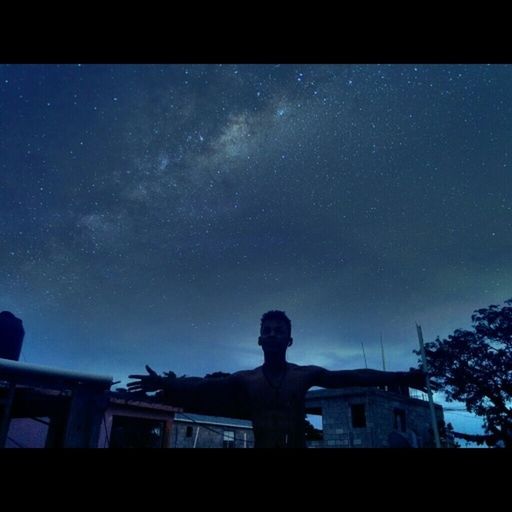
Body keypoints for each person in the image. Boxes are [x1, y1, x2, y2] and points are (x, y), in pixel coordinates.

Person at [128, 310, 426, 448]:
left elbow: (351, 375)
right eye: (267, 330)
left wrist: (402, 376)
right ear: (259, 340)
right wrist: (165, 383)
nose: (272, 334)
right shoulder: (247, 379)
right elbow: (203, 386)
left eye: (278, 330)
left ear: (290, 340)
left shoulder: (303, 375)